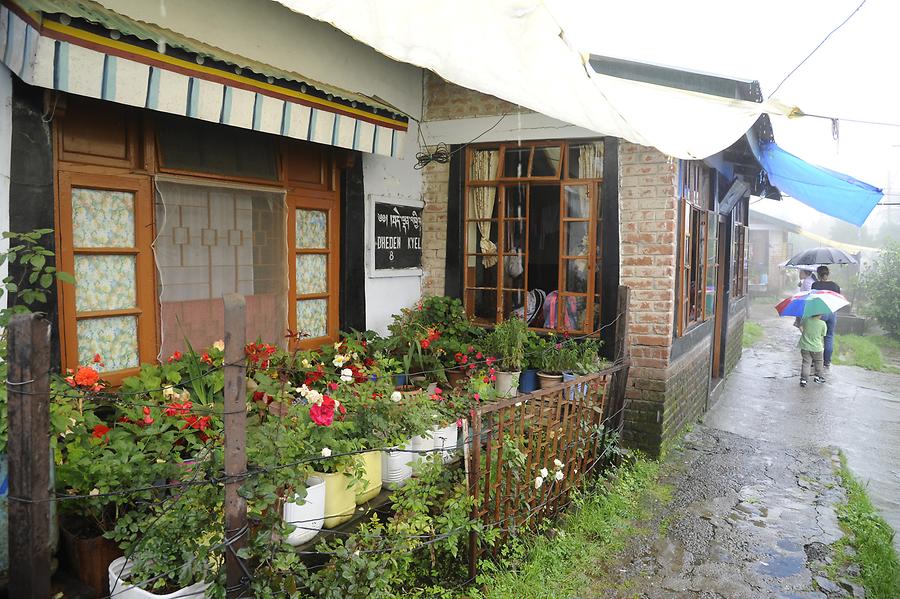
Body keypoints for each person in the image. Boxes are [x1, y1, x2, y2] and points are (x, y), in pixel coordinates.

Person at [812, 265, 841, 369]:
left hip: (820, 312)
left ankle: (816, 360)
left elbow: (813, 300)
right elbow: (839, 300)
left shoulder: (815, 285)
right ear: (828, 274)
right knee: (829, 336)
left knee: (816, 336)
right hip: (832, 312)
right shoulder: (835, 286)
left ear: (818, 274)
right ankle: (827, 362)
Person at [798, 313, 827, 387]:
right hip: (817, 347)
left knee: (806, 363)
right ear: (820, 315)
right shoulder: (822, 323)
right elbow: (823, 335)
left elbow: (800, 326)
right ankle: (818, 377)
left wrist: (804, 333)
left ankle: (803, 380)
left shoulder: (806, 320)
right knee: (819, 362)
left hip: (805, 346)